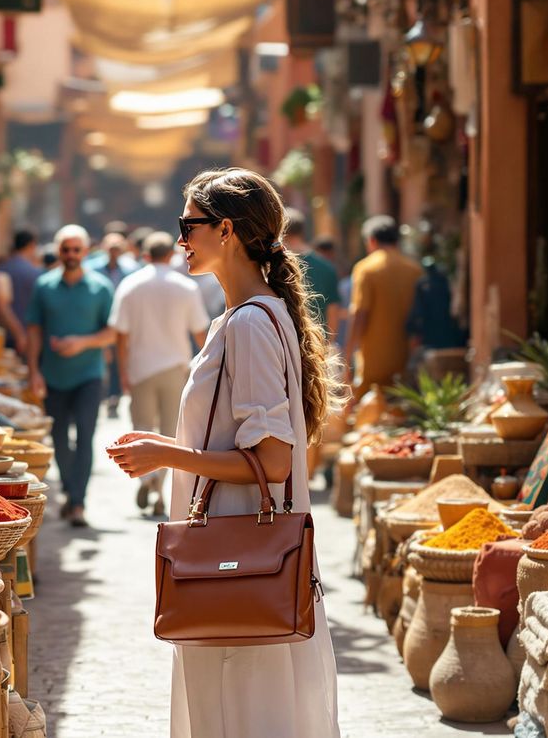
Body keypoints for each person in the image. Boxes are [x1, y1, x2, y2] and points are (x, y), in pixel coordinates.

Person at [105, 168, 340, 737]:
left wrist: (168, 455)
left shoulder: (251, 325)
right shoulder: (249, 317)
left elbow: (274, 461)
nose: (181, 239)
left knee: (241, 713)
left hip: (237, 559)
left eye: (189, 225)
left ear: (226, 230)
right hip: (238, 553)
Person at [109, 231, 210, 516]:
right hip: (176, 369)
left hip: (141, 368)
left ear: (144, 255)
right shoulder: (185, 287)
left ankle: (148, 479)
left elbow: (121, 335)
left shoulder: (130, 285)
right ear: (171, 255)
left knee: (141, 427)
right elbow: (201, 333)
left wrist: (123, 372)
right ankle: (160, 490)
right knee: (172, 432)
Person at [26, 225, 116, 528]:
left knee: (86, 436)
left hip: (89, 375)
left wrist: (82, 342)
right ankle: (69, 487)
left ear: (85, 252)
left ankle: (77, 502)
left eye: (77, 249)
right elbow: (34, 330)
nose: (71, 255)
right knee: (60, 440)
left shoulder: (101, 288)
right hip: (53, 376)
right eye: (66, 249)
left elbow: (112, 332)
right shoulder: (44, 286)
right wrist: (34, 371)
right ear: (59, 251)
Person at [343, 215, 423, 397]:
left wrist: (347, 357)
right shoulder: (415, 270)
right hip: (406, 358)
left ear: (371, 241)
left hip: (373, 361)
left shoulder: (366, 269)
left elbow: (360, 314)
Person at [92, 232, 137, 418]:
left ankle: (114, 396)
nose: (114, 252)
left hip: (123, 323)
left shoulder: (131, 270)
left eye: (117, 248)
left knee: (120, 360)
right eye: (111, 248)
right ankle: (102, 394)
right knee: (104, 359)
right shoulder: (93, 269)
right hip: (101, 323)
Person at [285, 210, 342, 340]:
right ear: (302, 232)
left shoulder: (273, 265)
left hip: (284, 344)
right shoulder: (327, 267)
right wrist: (328, 344)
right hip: (317, 344)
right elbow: (333, 311)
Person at [0, 229, 43, 355]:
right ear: (32, 245)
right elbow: (3, 306)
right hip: (26, 336)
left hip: (5, 335)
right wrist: (20, 335)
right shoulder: (35, 273)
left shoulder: (2, 268)